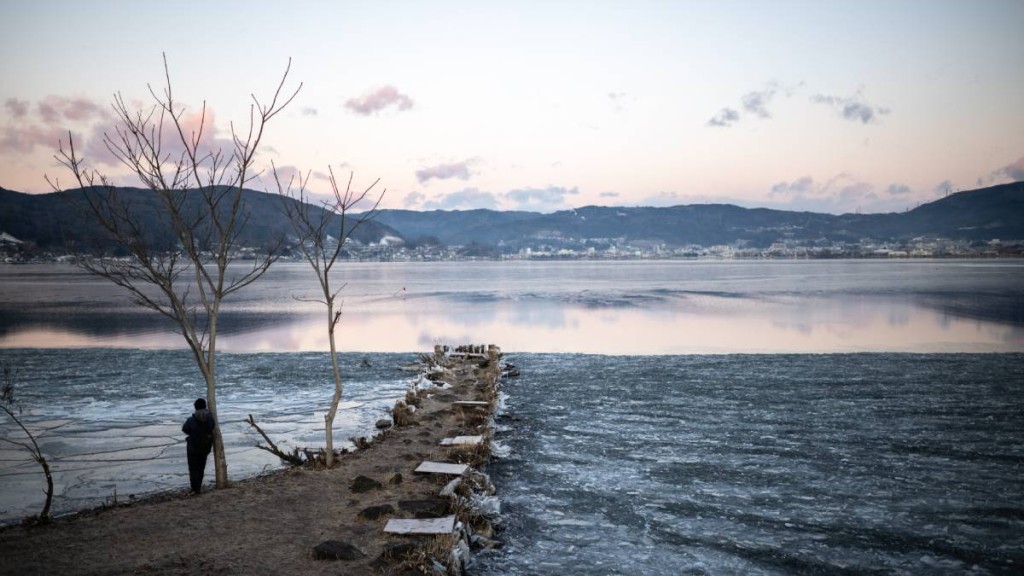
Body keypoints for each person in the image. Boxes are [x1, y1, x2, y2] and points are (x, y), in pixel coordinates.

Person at [182, 398, 216, 494]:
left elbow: (185, 429)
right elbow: (212, 427)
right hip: (206, 446)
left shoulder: (191, 419)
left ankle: (195, 489)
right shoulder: (210, 418)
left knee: (193, 468)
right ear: (205, 406)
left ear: (195, 407)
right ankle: (198, 487)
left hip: (193, 447)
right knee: (201, 467)